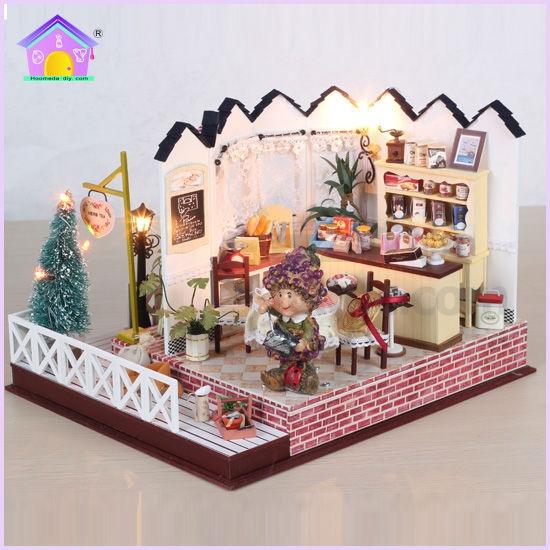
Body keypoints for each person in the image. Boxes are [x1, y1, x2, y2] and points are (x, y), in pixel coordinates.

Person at [255, 246, 326, 394]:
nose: (284, 302)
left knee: (303, 369)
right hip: (285, 348)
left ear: (308, 297)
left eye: (289, 295)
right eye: (280, 295)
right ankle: (280, 377)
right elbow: (270, 310)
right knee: (285, 365)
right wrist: (265, 307)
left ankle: (306, 380)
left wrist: (304, 342)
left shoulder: (304, 320)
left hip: (300, 352)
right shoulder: (282, 315)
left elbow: (309, 331)